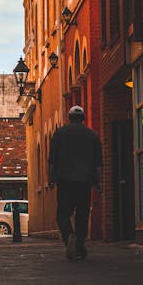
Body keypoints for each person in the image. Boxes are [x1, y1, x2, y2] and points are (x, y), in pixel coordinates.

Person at [48, 105, 102, 260]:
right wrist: (98, 182)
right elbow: (98, 162)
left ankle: (68, 236)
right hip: (84, 182)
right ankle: (79, 245)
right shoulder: (92, 135)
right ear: (83, 118)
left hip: (64, 181)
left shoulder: (60, 133)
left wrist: (50, 178)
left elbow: (52, 159)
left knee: (63, 214)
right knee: (82, 214)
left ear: (69, 118)